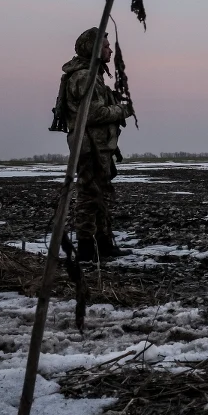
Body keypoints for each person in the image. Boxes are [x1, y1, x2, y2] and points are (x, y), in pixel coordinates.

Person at [54, 27, 134, 262]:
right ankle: (88, 248)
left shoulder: (93, 74)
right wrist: (123, 110)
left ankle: (103, 243)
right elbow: (93, 114)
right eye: (106, 47)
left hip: (99, 147)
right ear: (94, 49)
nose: (110, 50)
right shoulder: (83, 76)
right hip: (89, 147)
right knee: (89, 195)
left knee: (101, 194)